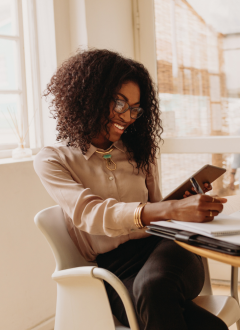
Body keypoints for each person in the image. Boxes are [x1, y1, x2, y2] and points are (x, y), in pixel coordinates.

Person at [34, 49, 228, 330]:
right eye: (119, 103)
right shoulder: (53, 160)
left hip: (167, 248)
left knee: (153, 287)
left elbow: (158, 208)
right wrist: (170, 208)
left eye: (135, 108)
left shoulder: (138, 152)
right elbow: (90, 213)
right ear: (90, 96)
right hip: (113, 270)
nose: (127, 117)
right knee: (199, 322)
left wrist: (179, 204)